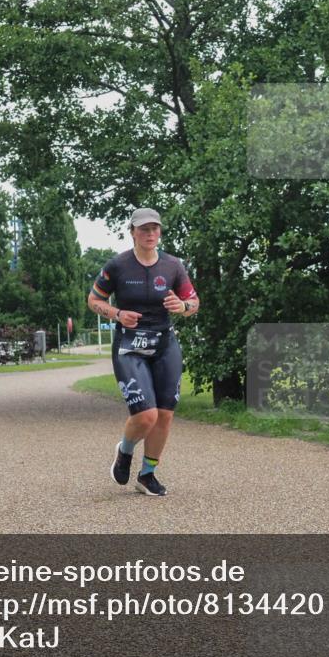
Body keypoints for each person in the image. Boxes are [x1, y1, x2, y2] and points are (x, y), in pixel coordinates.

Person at [87, 208, 200, 496]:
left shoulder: (173, 266)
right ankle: (125, 451)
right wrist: (117, 313)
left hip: (164, 344)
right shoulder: (118, 265)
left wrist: (183, 307)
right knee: (146, 415)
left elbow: (193, 302)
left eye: (154, 229)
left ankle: (147, 475)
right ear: (133, 232)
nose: (150, 234)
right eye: (143, 229)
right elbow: (93, 299)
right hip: (130, 346)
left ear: (160, 232)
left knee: (165, 415)